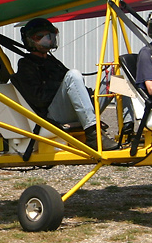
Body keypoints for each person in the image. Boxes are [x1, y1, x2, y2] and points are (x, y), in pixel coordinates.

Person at [11, 18, 107, 149]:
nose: (48, 40)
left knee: (113, 80)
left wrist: (88, 94)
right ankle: (93, 134)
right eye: (41, 37)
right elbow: (39, 99)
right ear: (30, 40)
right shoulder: (26, 65)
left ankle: (128, 131)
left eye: (50, 36)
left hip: (73, 109)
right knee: (73, 75)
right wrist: (60, 85)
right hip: (53, 115)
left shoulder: (52, 61)